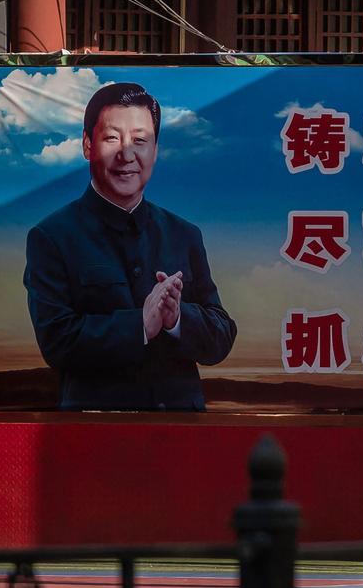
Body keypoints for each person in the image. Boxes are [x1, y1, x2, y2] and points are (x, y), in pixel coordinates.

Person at [23, 82, 237, 411]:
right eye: (112, 139)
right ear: (86, 145)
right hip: (95, 431)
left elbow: (221, 337)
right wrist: (140, 324)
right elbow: (57, 341)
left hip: (182, 431)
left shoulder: (184, 234)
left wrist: (176, 318)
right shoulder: (52, 236)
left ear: (155, 150)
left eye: (140, 141)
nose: (127, 154)